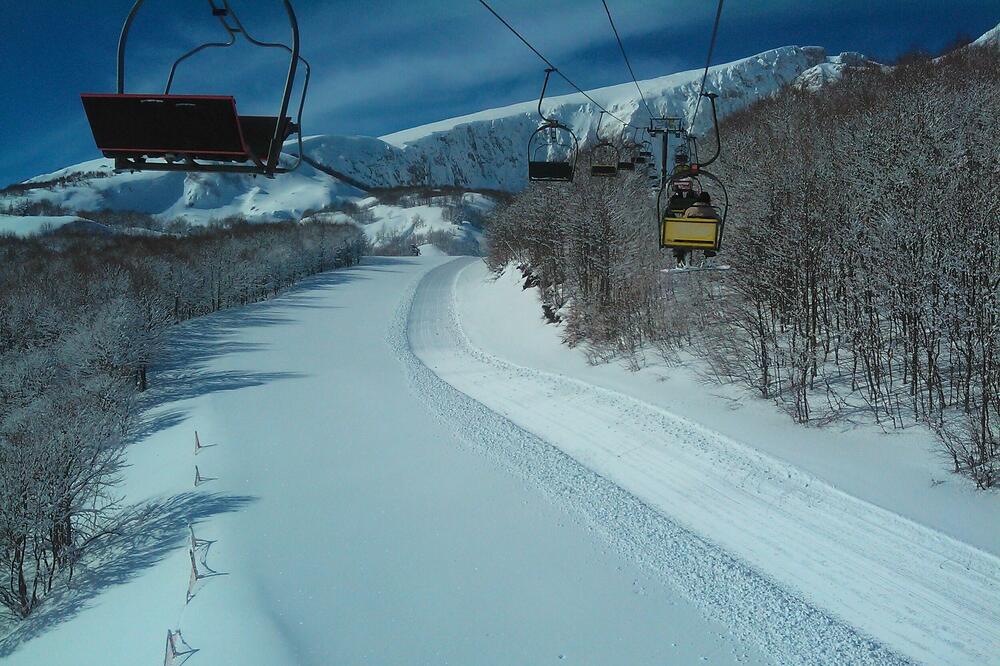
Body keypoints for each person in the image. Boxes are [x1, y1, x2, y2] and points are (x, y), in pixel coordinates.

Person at [684, 191, 720, 260]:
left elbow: (684, 220)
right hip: (705, 238)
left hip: (690, 236)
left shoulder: (690, 210)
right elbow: (719, 220)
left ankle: (682, 257)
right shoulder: (711, 211)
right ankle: (707, 251)